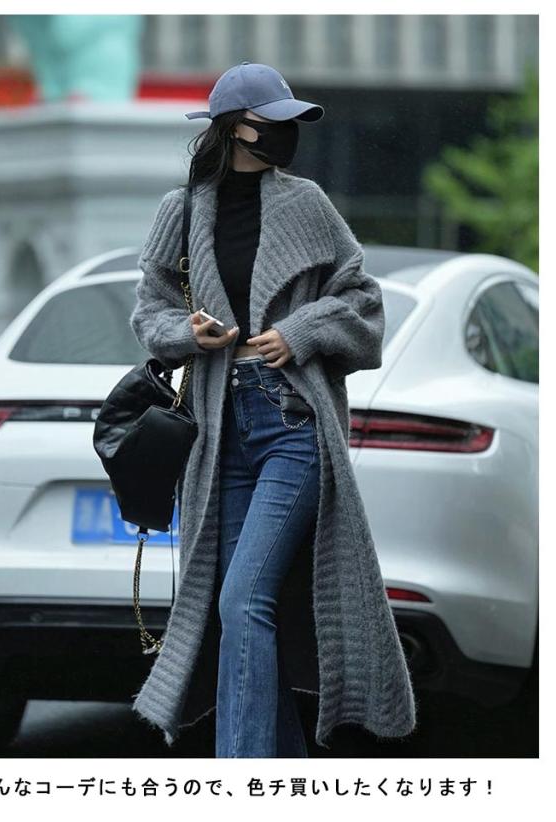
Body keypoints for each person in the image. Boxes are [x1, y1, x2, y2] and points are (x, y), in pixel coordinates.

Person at [129, 62, 417, 758]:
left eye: (291, 122)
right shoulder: (181, 210)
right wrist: (186, 332)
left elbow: (363, 302)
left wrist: (300, 330)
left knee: (242, 599)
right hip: (218, 432)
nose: (287, 133)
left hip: (289, 421)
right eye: (273, 121)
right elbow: (149, 310)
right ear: (234, 127)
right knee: (238, 612)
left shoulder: (308, 203)